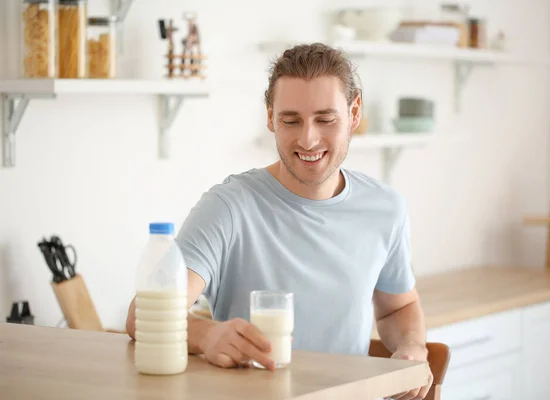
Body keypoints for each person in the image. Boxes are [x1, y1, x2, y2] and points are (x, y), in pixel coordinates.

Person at [126, 42, 432, 400]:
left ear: (354, 112)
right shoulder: (229, 207)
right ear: (270, 117)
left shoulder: (385, 208)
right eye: (290, 120)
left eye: (325, 119)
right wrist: (206, 335)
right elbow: (142, 317)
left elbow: (399, 307)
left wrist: (412, 348)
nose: (308, 138)